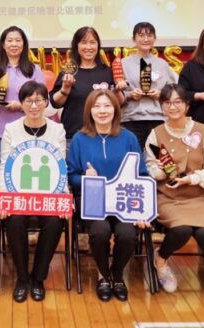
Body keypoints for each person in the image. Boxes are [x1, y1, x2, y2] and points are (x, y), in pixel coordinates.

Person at [67, 89, 148, 302]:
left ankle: (117, 274)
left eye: (107, 106)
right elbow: (71, 175)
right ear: (89, 111)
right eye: (97, 106)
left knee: (127, 234)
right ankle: (103, 274)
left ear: (116, 109)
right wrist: (85, 177)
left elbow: (142, 174)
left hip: (124, 199)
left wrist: (143, 210)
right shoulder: (79, 139)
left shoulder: (129, 138)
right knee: (100, 232)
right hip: (93, 199)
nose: (102, 111)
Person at [144, 84, 204, 293]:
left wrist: (191, 179)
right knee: (182, 230)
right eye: (167, 103)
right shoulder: (156, 134)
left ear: (187, 105)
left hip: (200, 196)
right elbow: (150, 169)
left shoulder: (203, 131)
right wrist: (160, 171)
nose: (173, 107)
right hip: (169, 197)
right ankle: (161, 260)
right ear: (162, 106)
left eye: (178, 102)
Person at [0, 80, 68, 303]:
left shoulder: (57, 129)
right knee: (14, 219)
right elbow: (4, 165)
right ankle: (21, 278)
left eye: (39, 100)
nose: (34, 105)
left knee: (55, 221)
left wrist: (63, 198)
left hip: (48, 193)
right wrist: (4, 198)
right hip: (18, 192)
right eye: (29, 101)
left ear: (47, 102)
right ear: (21, 103)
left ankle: (38, 277)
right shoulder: (11, 129)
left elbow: (61, 166)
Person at [0, 25, 48, 147]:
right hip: (2, 131)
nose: (14, 44)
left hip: (30, 129)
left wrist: (22, 106)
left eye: (18, 40)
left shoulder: (34, 69)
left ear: (24, 44)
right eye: (10, 40)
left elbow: (45, 99)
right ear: (3, 45)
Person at [50, 26, 123, 141]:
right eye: (84, 42)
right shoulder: (68, 72)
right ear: (76, 45)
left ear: (98, 46)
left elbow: (121, 102)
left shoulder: (108, 72)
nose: (88, 47)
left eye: (92, 42)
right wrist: (65, 89)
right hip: (73, 135)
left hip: (104, 135)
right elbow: (55, 103)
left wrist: (117, 91)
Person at [119, 22, 178, 149]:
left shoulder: (162, 64)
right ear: (133, 39)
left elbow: (175, 90)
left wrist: (162, 94)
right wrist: (130, 95)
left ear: (154, 39)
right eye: (141, 35)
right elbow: (116, 92)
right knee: (133, 156)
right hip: (131, 119)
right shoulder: (124, 64)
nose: (146, 39)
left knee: (159, 157)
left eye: (150, 36)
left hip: (158, 118)